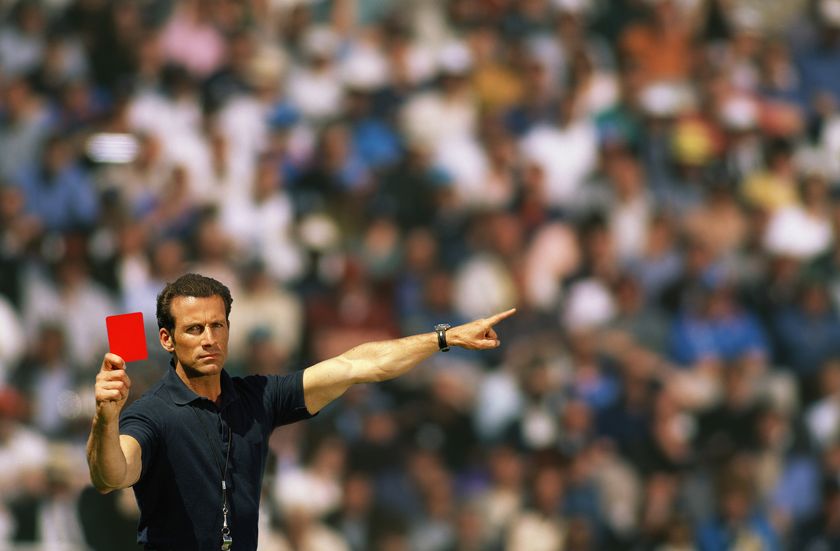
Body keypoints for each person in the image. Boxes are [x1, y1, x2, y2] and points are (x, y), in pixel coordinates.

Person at [86, 273, 515, 550]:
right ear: (166, 339)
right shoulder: (152, 412)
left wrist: (443, 339)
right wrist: (106, 417)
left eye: (217, 326)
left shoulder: (257, 397)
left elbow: (359, 364)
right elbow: (112, 475)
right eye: (194, 329)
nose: (208, 338)